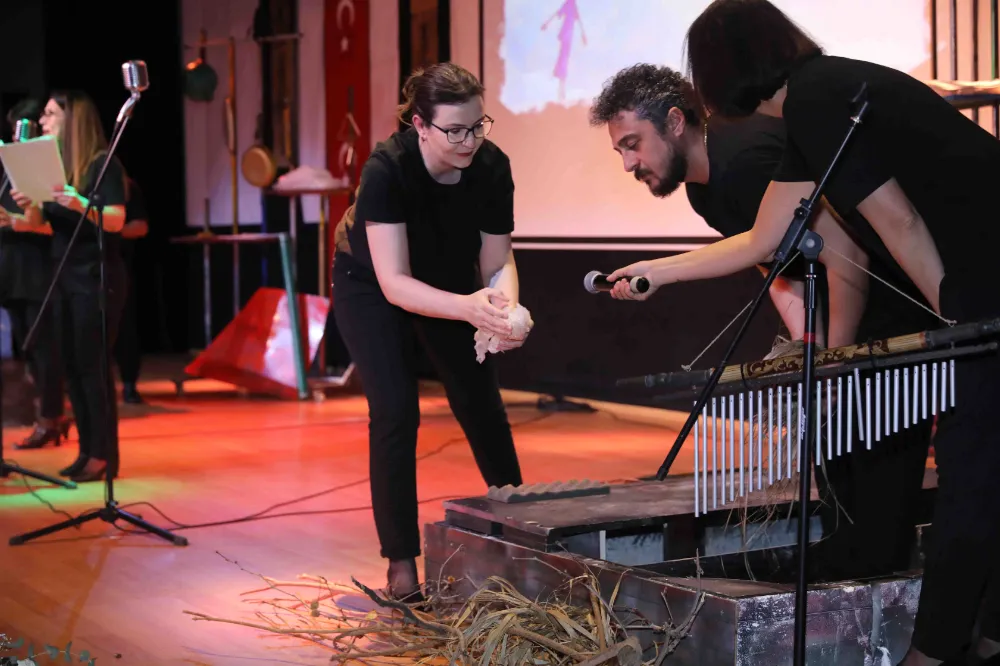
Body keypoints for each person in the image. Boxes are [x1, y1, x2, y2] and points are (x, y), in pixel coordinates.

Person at [681, 2, 1000, 664]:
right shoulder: (819, 98)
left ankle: (935, 650)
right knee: (984, 463)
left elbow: (899, 222)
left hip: (986, 271)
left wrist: (955, 317)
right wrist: (655, 273)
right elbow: (765, 238)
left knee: (972, 469)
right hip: (980, 269)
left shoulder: (817, 101)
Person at [590, 63, 936, 583]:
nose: (627, 163)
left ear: (676, 122)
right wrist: (806, 344)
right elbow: (777, 267)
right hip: (851, 320)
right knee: (843, 500)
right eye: (620, 150)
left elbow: (847, 259)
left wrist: (832, 361)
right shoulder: (704, 189)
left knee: (877, 511)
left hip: (898, 309)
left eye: (633, 144)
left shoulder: (745, 160)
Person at [331, 63, 531, 601]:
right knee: (395, 411)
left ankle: (527, 535)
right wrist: (470, 308)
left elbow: (497, 261)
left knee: (480, 402)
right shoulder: (387, 169)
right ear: (420, 125)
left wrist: (505, 309)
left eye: (477, 126)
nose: (469, 141)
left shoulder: (492, 166)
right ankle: (400, 565)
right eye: (454, 131)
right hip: (372, 284)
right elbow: (395, 283)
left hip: (449, 282)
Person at [4, 91, 128, 484]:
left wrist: (78, 203)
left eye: (50, 114)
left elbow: (116, 220)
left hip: (95, 276)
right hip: (61, 275)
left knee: (92, 368)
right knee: (71, 367)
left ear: (73, 119)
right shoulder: (59, 168)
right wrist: (25, 203)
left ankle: (103, 454)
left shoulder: (101, 164)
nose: (43, 122)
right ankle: (87, 450)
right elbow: (39, 223)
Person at [0, 98, 72, 450]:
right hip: (11, 270)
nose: (20, 135)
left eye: (27, 127)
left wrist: (14, 221)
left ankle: (51, 418)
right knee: (26, 350)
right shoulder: (9, 166)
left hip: (37, 270)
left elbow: (47, 224)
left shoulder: (44, 168)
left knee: (44, 350)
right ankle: (49, 415)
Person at [115, 176, 149, 404]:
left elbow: (140, 226)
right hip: (76, 267)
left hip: (117, 265)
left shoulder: (124, 185)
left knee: (124, 327)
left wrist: (108, 230)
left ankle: (129, 384)